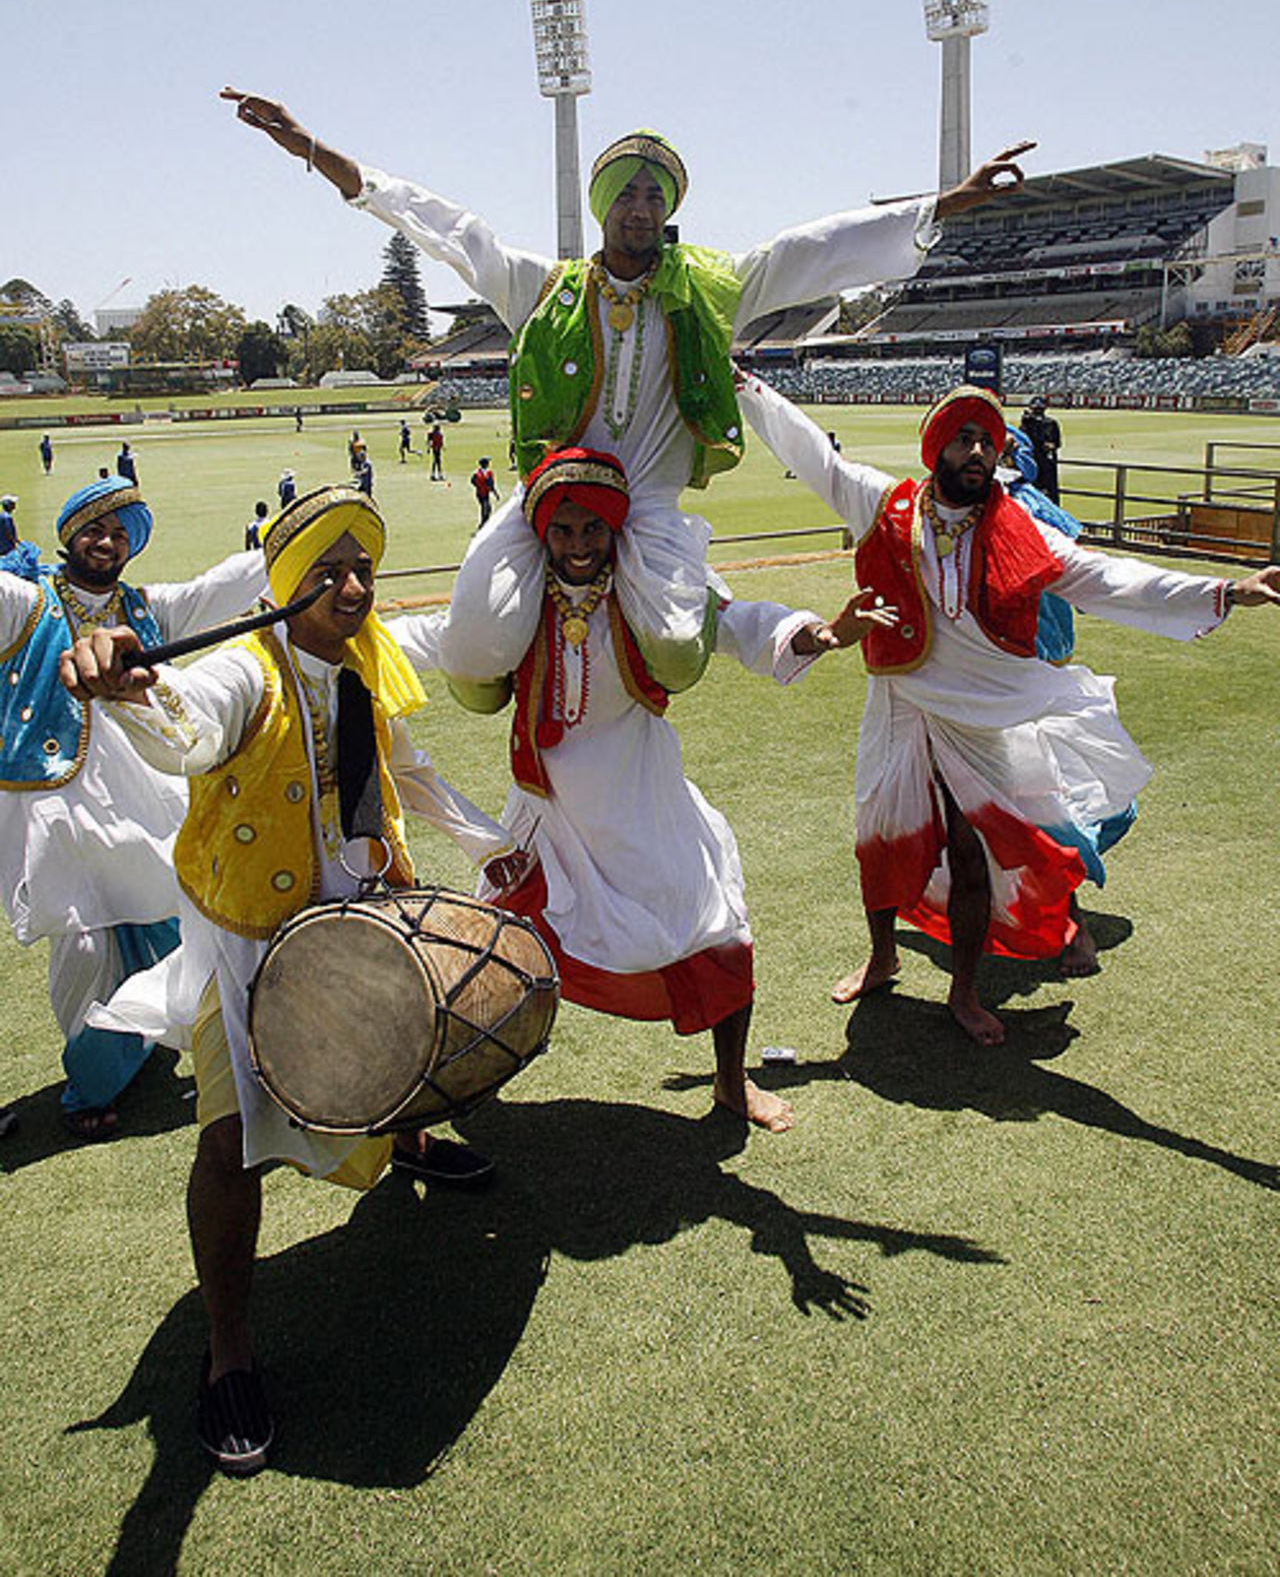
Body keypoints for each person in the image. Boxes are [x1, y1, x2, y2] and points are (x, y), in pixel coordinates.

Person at [221, 89, 1029, 695]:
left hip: (644, 501)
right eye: (628, 194)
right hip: (548, 494)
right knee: (474, 658)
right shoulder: (547, 287)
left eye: (656, 196)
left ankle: (705, 598)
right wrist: (313, 150)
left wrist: (945, 204)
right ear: (603, 204)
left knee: (677, 653)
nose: (642, 210)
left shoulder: (709, 289)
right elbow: (446, 230)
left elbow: (809, 250)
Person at [60, 484, 524, 1474]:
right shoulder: (244, 668)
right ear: (283, 579)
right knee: (229, 1145)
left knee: (405, 1023)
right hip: (250, 944)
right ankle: (228, 1352)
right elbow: (192, 720)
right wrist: (134, 688)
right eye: (326, 569)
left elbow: (407, 768)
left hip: (364, 905)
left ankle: (410, 1137)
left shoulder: (367, 656)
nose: (351, 586)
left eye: (362, 567)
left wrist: (488, 846)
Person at [737, 373, 1280, 1045]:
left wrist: (1224, 589)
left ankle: (963, 992)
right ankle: (883, 956)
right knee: (879, 836)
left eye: (988, 442)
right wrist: (746, 389)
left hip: (984, 715)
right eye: (963, 438)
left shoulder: (1019, 529)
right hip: (901, 700)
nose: (977, 451)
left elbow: (1109, 577)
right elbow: (815, 454)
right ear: (937, 448)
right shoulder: (884, 504)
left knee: (971, 856)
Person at [393, 447, 888, 1133]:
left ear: (616, 528)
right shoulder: (514, 602)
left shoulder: (650, 586)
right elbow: (446, 638)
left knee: (714, 926)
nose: (577, 546)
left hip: (641, 792)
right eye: (562, 531)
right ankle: (471, 1076)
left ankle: (729, 1082)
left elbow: (734, 622)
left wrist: (821, 633)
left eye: (592, 529)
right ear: (542, 532)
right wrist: (355, 635)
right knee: (496, 942)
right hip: (548, 807)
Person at [0, 474, 268, 1134]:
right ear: (69, 536)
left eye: (121, 532)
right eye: (95, 528)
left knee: (171, 928)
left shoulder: (146, 610)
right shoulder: (25, 603)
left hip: (147, 810)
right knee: (87, 949)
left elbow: (217, 589)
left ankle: (130, 1043)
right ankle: (91, 1088)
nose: (107, 541)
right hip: (60, 808)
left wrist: (297, 539)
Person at [1019, 397, 1062, 504]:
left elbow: (1057, 443)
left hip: (1047, 463)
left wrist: (1050, 446)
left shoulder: (1051, 423)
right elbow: (1022, 441)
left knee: (1050, 492)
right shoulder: (1027, 424)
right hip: (1033, 462)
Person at [471, 456, 499, 527]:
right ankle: (484, 523)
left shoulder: (477, 473)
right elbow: (491, 485)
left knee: (484, 507)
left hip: (479, 493)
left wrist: (479, 486)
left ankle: (484, 522)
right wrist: (496, 494)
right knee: (487, 508)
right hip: (484, 493)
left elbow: (472, 481)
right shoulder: (488, 473)